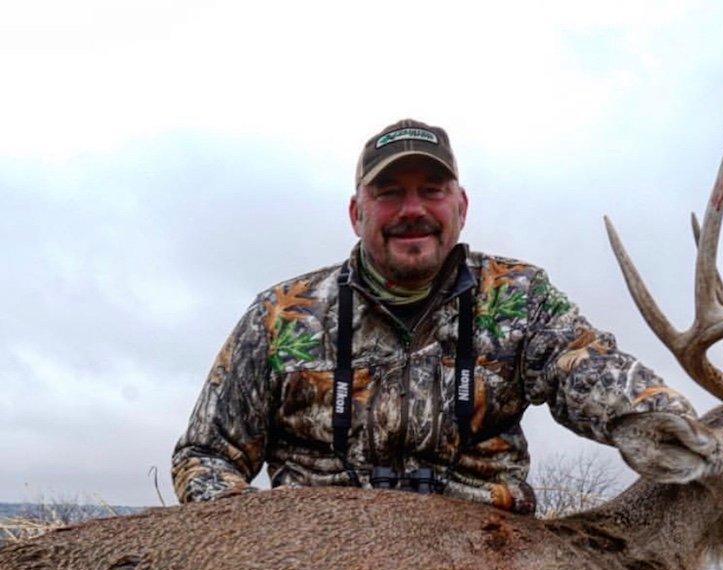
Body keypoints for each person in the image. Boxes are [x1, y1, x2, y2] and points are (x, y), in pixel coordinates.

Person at [172, 119, 696, 513]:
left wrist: (676, 425)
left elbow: (589, 371)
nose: (412, 210)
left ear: (460, 206)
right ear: (357, 213)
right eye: (389, 193)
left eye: (432, 191)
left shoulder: (517, 297)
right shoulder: (282, 315)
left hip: (487, 564)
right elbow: (206, 453)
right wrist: (249, 555)